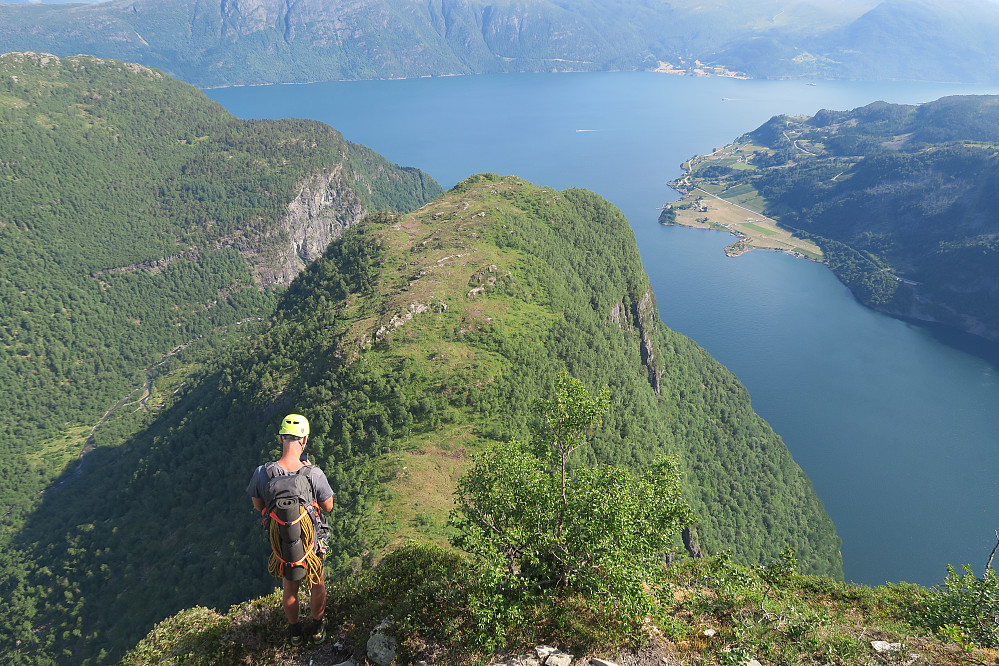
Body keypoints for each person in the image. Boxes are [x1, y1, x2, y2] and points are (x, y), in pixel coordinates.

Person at [246, 414, 335, 646]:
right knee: (317, 583)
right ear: (304, 440)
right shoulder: (313, 473)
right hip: (311, 541)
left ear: (281, 438)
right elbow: (328, 506)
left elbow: (258, 506)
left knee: (290, 586)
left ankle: (295, 633)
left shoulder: (262, 473)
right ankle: (317, 629)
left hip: (284, 541)